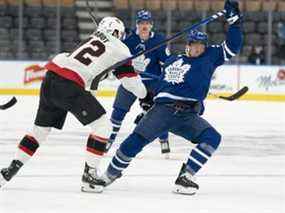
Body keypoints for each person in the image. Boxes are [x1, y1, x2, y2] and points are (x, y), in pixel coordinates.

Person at [92, 0, 243, 195]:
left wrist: (235, 22)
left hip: (186, 115)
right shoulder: (173, 60)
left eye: (201, 46)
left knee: (212, 138)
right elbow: (160, 86)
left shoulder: (209, 57)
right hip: (162, 111)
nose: (198, 49)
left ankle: (186, 176)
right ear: (188, 45)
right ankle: (108, 175)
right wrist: (148, 104)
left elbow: (233, 45)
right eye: (194, 45)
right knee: (134, 142)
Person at [0, 17, 147, 193]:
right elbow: (131, 84)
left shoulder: (92, 38)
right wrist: (145, 94)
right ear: (117, 33)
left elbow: (91, 72)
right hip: (69, 85)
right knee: (103, 127)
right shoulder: (121, 49)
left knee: (39, 131)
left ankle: (8, 171)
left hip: (51, 78)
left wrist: (109, 73)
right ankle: (89, 177)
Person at [107, 9, 172, 156]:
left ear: (151, 25)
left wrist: (165, 80)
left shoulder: (159, 41)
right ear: (137, 24)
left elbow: (166, 64)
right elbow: (118, 59)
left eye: (147, 23)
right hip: (131, 80)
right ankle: (109, 140)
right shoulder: (128, 40)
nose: (144, 26)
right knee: (118, 111)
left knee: (160, 113)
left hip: (151, 83)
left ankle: (164, 139)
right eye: (142, 23)